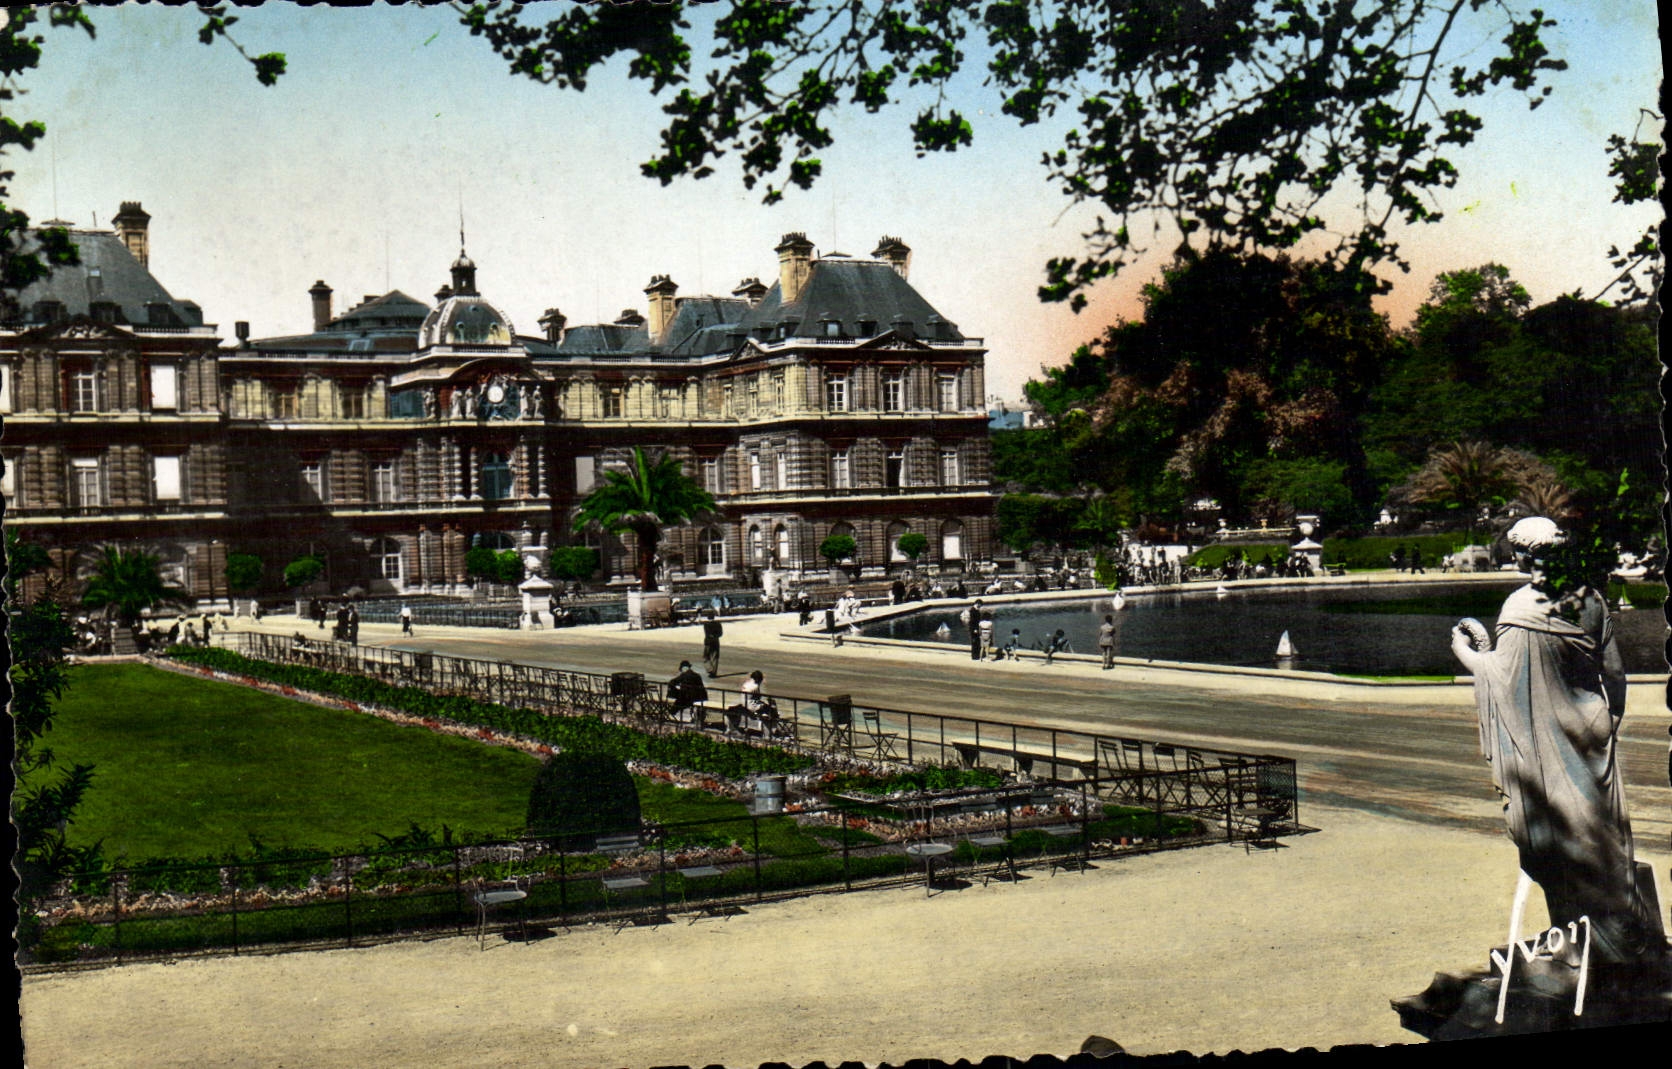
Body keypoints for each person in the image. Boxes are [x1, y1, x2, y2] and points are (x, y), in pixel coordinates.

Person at [1450, 516, 1665, 967]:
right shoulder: (1590, 599)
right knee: (1602, 836)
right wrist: (1611, 720)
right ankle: (1618, 929)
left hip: (1550, 738)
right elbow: (1615, 674)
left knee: (1556, 835)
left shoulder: (1520, 607)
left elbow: (1505, 683)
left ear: (1522, 555)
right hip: (1591, 730)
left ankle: (1575, 941)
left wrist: (1470, 655)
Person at [666, 659, 709, 727]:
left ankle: (671, 712)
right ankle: (673, 712)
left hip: (689, 699)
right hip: (700, 697)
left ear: (683, 668)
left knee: (679, 701)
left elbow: (672, 682)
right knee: (680, 698)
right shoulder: (697, 675)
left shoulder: (684, 675)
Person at [701, 610, 724, 678]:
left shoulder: (706, 625)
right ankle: (713, 672)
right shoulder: (718, 624)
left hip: (708, 642)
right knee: (714, 658)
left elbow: (707, 633)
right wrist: (715, 636)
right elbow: (720, 634)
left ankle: (710, 669)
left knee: (705, 657)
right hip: (716, 642)